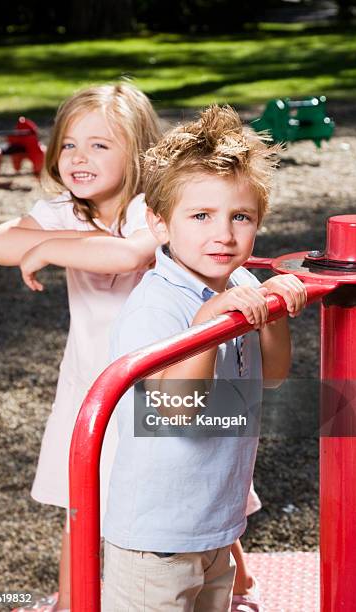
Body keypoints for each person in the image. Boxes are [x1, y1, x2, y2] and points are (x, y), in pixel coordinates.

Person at [101, 104, 307, 611]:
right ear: (161, 223)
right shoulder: (157, 305)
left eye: (241, 216)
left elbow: (275, 376)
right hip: (157, 538)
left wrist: (274, 309)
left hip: (216, 523)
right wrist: (208, 328)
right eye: (201, 216)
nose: (224, 234)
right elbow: (177, 414)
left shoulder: (240, 283)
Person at [0, 83, 161, 612]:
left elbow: (129, 256)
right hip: (89, 381)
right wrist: (49, 241)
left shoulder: (155, 206)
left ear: (140, 153)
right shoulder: (64, 209)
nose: (79, 158)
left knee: (188, 494)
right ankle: (72, 601)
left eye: (101, 145)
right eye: (69, 145)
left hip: (165, 381)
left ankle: (237, 579)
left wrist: (49, 247)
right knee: (81, 502)